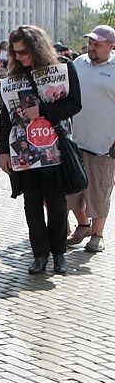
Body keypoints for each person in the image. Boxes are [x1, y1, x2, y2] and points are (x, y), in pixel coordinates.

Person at [0, 25, 82, 274]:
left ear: (37, 47)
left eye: (24, 52)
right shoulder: (14, 76)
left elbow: (74, 104)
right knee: (31, 203)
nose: (20, 57)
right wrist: (3, 151)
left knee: (56, 202)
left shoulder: (64, 67)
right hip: (24, 150)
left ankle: (59, 254)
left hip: (54, 148)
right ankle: (39, 255)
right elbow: (5, 115)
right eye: (16, 53)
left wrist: (42, 111)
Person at [69, 25, 115, 254]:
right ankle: (83, 225)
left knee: (100, 189)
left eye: (97, 44)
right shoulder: (78, 63)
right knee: (73, 188)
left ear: (111, 46)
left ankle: (97, 234)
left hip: (104, 142)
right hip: (76, 140)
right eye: (90, 43)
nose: (92, 47)